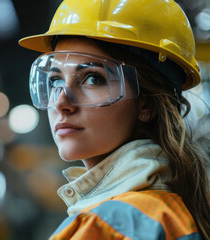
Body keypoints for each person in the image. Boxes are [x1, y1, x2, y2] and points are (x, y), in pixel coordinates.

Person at [18, 0, 210, 239]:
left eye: (92, 79)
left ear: (146, 103)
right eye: (55, 80)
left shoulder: (108, 226)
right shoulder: (165, 213)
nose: (60, 103)